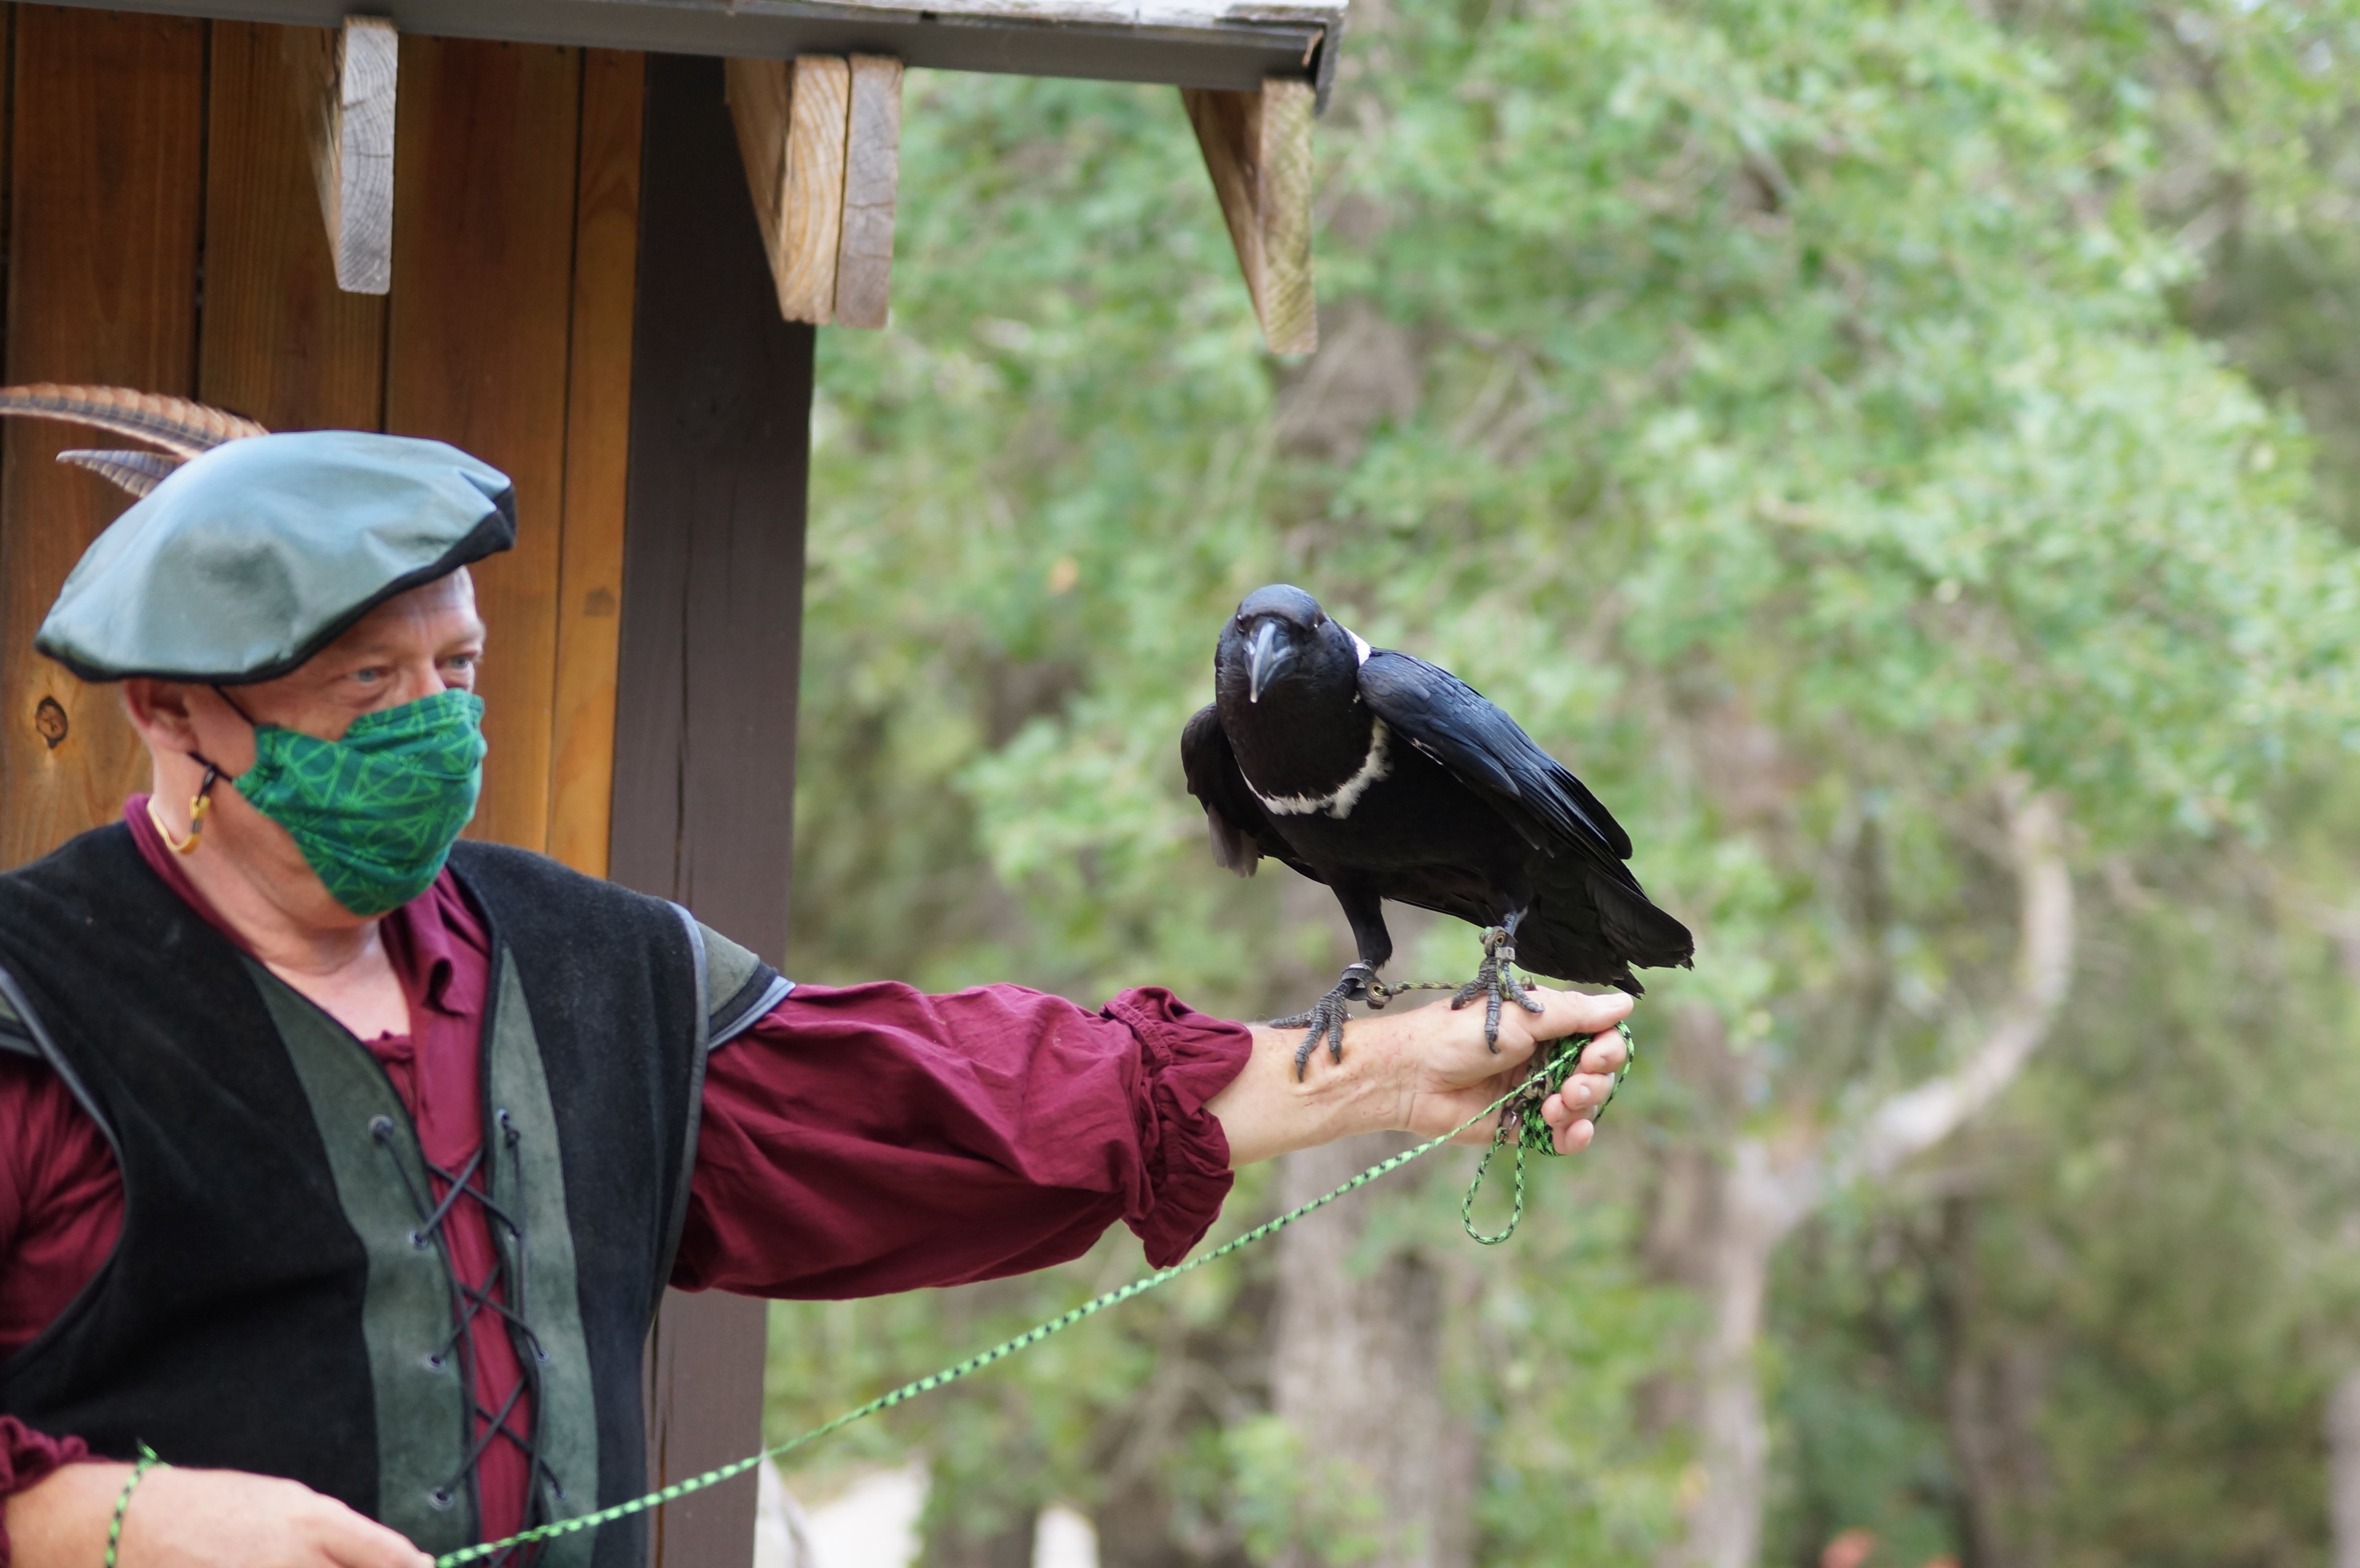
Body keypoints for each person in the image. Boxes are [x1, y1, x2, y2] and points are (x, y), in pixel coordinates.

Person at [0, 422, 1633, 1568]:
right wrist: (91, 1523)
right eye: (371, 681)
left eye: (459, 669)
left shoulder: (597, 973)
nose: (437, 722)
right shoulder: (34, 1008)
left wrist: (1392, 1072)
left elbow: (937, 1105)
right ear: (176, 715)